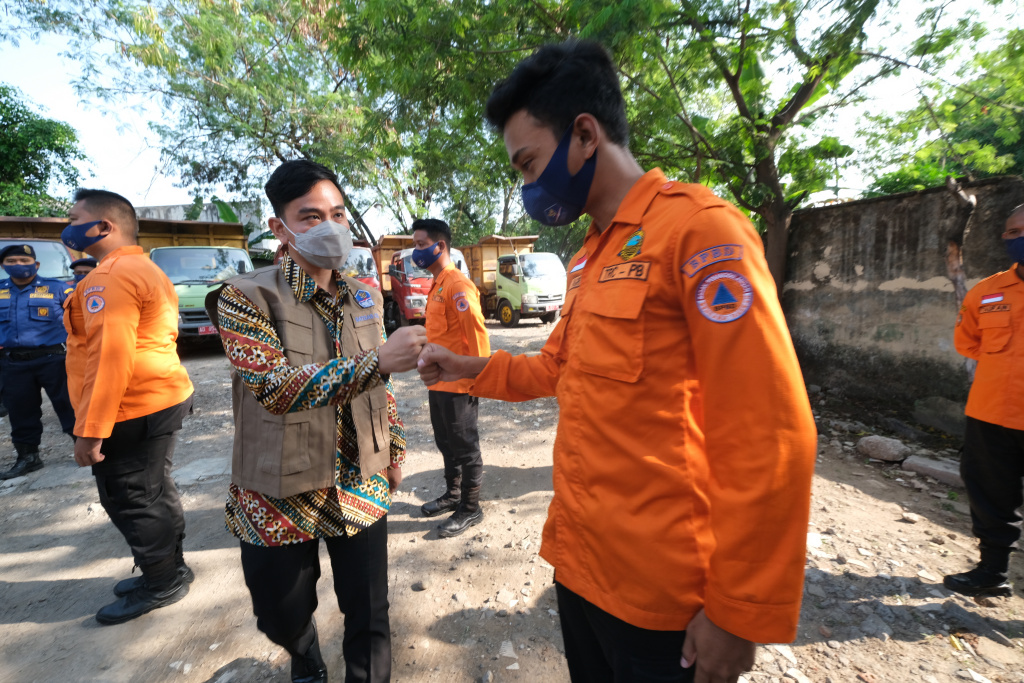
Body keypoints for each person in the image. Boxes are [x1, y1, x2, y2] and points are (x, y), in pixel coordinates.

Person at [416, 41, 817, 683]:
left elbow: (770, 430)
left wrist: (739, 612)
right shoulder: (590, 256)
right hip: (581, 568)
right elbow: (554, 370)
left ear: (584, 134)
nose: (526, 185)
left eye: (528, 163)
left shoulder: (700, 232)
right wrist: (467, 369)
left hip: (663, 597)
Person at [206, 160, 426, 683]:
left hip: (360, 484)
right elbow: (275, 389)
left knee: (370, 614)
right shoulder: (244, 297)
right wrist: (379, 363)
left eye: (337, 214)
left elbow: (382, 386)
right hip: (278, 493)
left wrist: (393, 450)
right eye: (309, 216)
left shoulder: (365, 295)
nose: (329, 227)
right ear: (279, 227)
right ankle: (303, 652)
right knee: (279, 613)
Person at [63, 189, 196, 625]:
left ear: (105, 226)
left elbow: (110, 355)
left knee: (131, 496)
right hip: (158, 396)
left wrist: (91, 429)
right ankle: (169, 568)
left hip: (131, 406)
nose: (67, 225)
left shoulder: (112, 276)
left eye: (74, 217)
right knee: (154, 488)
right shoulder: (143, 267)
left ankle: (162, 581)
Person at [943, 204, 1024, 598]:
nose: (1017, 238)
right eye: (1012, 232)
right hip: (991, 414)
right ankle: (993, 572)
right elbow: (969, 342)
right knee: (990, 496)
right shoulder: (986, 292)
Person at [411, 218, 491, 537]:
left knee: (465, 446)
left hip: (460, 384)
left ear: (439, 246)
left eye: (420, 245)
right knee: (445, 442)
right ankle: (454, 495)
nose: (416, 252)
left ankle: (471, 508)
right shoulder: (437, 283)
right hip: (439, 384)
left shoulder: (457, 284)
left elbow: (477, 335)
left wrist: (479, 378)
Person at [0, 243, 77, 479]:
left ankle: (91, 450)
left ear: (36, 264)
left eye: (24, 261)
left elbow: (80, 323)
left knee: (70, 406)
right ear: (3, 265)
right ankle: (28, 458)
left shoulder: (58, 289)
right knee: (20, 411)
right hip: (13, 363)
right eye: (11, 261)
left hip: (54, 359)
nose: (18, 265)